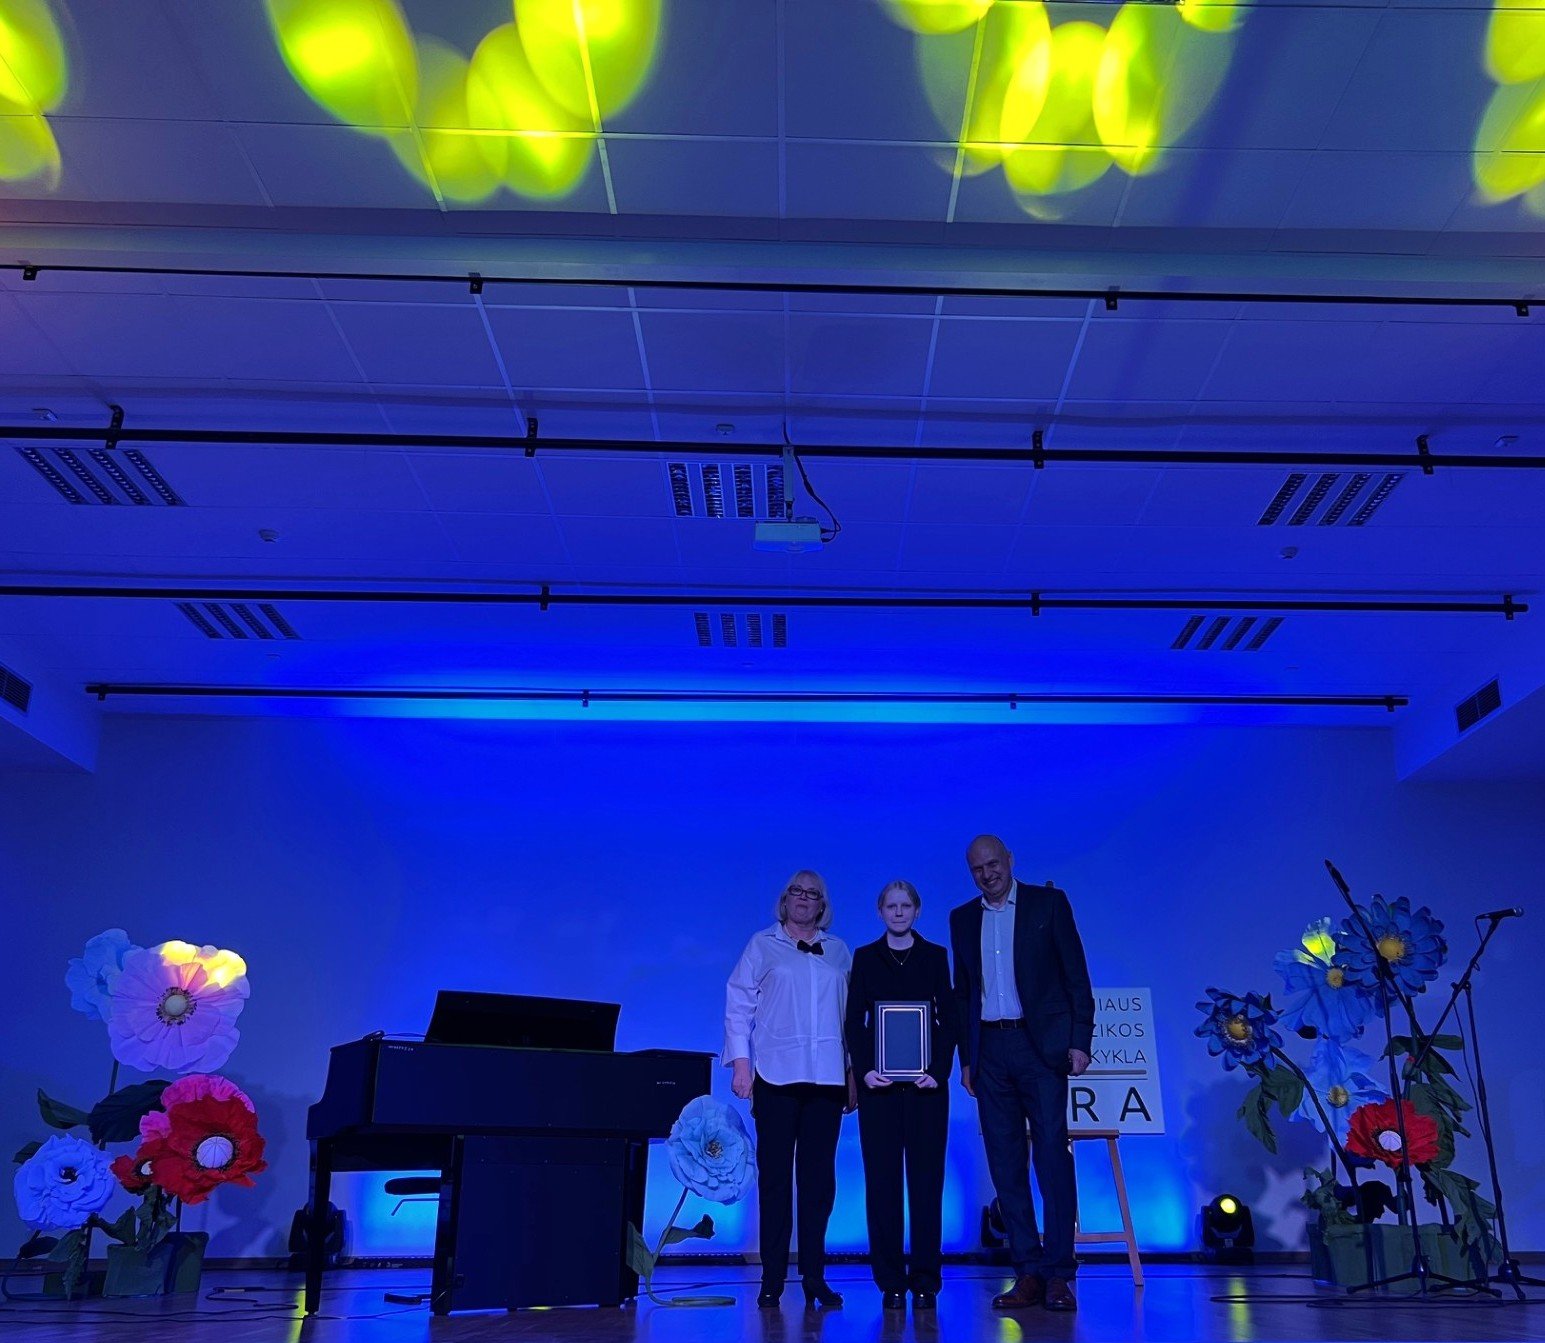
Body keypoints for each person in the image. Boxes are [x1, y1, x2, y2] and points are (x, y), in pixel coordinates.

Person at [949, 834, 1094, 1313]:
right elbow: (963, 994)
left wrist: (1080, 1040)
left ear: (1009, 861)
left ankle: (1059, 1273)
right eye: (978, 869)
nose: (987, 874)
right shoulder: (962, 918)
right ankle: (1028, 1271)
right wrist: (967, 1059)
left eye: (993, 864)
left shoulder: (1048, 904)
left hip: (1041, 1047)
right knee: (1005, 1165)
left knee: (1052, 1158)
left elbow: (1076, 975)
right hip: (990, 1051)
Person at [724, 870, 856, 1309]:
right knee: (776, 1180)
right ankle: (772, 1277)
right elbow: (738, 1004)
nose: (803, 898)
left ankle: (814, 1276)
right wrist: (741, 1064)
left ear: (822, 904)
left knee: (819, 1183)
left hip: (827, 1080)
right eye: (796, 891)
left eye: (812, 893)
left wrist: (852, 1072)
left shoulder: (839, 951)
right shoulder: (761, 944)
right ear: (785, 900)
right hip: (776, 1076)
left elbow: (851, 1018)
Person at [844, 880, 955, 1312]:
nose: (898, 912)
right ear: (880, 911)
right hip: (880, 1091)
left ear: (917, 910)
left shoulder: (935, 956)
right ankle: (890, 1281)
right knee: (882, 1185)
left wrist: (937, 1072)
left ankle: (926, 1281)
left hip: (927, 1091)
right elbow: (854, 1021)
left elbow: (948, 1019)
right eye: (891, 906)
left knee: (927, 1186)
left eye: (905, 905)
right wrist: (865, 1070)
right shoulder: (865, 957)